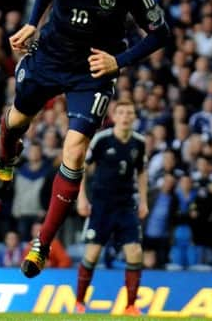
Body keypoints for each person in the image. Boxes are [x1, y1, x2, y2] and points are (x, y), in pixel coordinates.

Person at [0, 0, 169, 279]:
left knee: (74, 151)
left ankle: (42, 243)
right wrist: (32, 22)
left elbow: (161, 33)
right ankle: (7, 157)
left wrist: (120, 61)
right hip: (49, 58)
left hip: (93, 70)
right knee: (15, 122)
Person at [75, 99, 148, 315]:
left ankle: (131, 306)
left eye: (130, 113)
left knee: (135, 252)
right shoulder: (102, 139)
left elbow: (142, 172)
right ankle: (79, 302)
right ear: (115, 117)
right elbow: (81, 167)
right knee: (92, 255)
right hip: (101, 206)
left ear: (134, 117)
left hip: (126, 206)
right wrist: (81, 198)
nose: (126, 116)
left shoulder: (139, 142)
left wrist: (143, 200)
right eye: (122, 113)